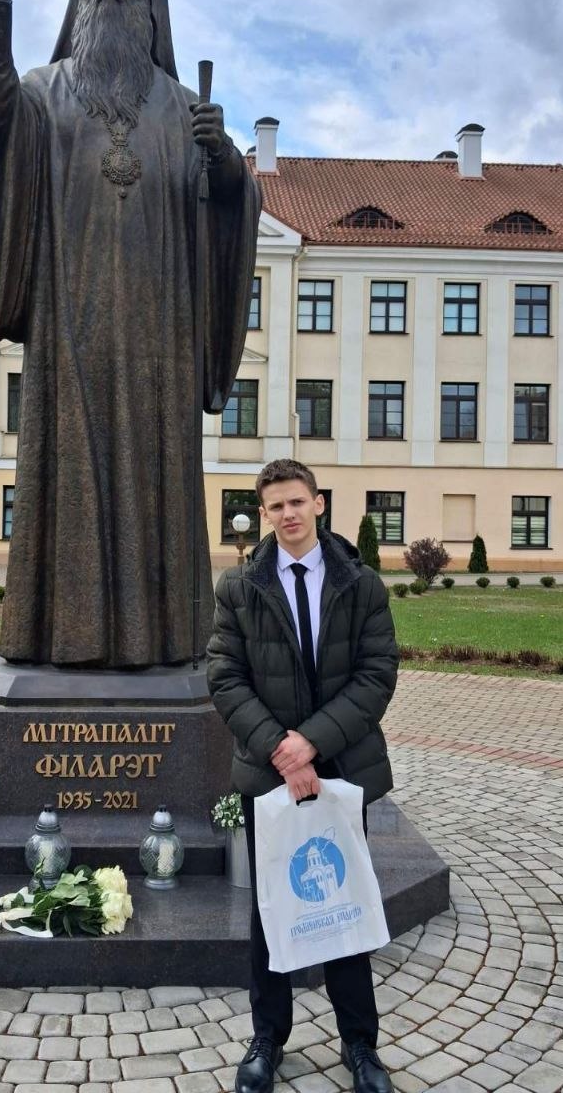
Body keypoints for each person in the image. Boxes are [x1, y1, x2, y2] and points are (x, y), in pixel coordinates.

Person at [0, 0, 259, 668]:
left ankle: (158, 645)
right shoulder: (43, 94)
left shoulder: (184, 108)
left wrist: (223, 167)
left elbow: (231, 211)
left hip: (161, 340)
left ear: (154, 8)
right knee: (70, 483)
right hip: (69, 334)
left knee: (158, 485)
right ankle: (63, 642)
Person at [207, 458, 399, 1093]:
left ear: (319, 504)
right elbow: (225, 678)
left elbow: (377, 675)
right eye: (274, 506)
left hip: (342, 769)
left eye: (297, 502)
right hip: (269, 778)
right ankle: (267, 1039)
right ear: (264, 514)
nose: (287, 514)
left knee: (342, 906)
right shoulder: (239, 587)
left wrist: (310, 744)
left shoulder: (361, 583)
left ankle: (361, 1046)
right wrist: (279, 751)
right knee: (270, 913)